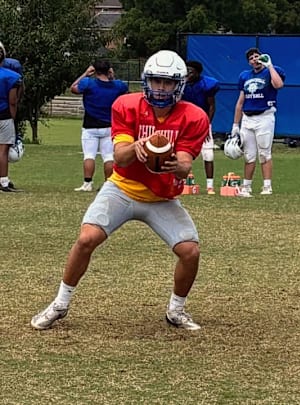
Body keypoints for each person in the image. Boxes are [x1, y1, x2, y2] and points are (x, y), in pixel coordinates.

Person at [31, 50, 209, 331]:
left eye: (167, 83)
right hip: (123, 188)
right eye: (155, 81)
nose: (160, 88)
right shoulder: (126, 105)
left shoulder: (194, 116)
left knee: (190, 252)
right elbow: (120, 156)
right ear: (145, 81)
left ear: (179, 85)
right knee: (87, 238)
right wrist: (137, 147)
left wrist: (172, 162)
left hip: (161, 197)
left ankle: (176, 310)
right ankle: (59, 304)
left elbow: (186, 165)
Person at [231, 47, 286, 197]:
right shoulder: (244, 76)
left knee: (264, 152)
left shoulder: (271, 70)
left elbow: (278, 85)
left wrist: (270, 65)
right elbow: (240, 101)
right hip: (248, 118)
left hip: (265, 116)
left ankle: (267, 186)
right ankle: (246, 186)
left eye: (256, 56)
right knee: (248, 154)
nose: (254, 59)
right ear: (249, 62)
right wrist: (235, 125)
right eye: (251, 58)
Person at [70, 60, 129, 192]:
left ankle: (87, 183)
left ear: (94, 70)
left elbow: (73, 87)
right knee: (108, 156)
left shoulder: (88, 83)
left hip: (90, 124)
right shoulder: (117, 85)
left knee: (89, 155)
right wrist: (112, 77)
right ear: (109, 70)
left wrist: (85, 74)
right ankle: (108, 184)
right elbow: (124, 90)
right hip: (109, 125)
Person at [181, 60, 220, 194]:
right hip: (185, 122)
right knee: (181, 153)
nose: (188, 74)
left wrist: (207, 125)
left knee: (208, 154)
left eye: (191, 71)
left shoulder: (207, 84)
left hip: (202, 121)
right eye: (187, 71)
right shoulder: (181, 84)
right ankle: (180, 183)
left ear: (198, 73)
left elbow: (211, 106)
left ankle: (210, 186)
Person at [0, 41, 22, 193]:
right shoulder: (11, 76)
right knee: (3, 151)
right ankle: (3, 181)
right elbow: (12, 101)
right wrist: (12, 118)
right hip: (4, 115)